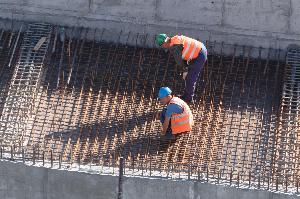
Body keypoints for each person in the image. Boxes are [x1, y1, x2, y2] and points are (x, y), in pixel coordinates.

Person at [156, 34, 207, 103]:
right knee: (188, 76)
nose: (163, 47)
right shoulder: (174, 40)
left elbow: (180, 61)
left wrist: (185, 71)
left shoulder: (175, 47)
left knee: (190, 77)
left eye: (162, 45)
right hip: (199, 49)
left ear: (164, 43)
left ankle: (188, 99)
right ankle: (186, 95)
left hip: (199, 55)